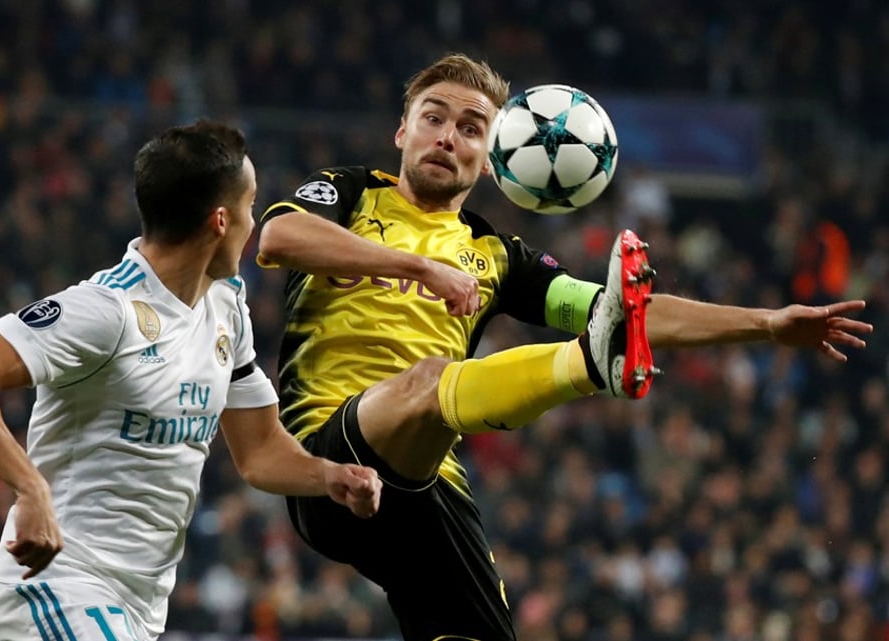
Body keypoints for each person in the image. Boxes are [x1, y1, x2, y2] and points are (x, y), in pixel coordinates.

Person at [254, 53, 873, 641]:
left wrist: (767, 323)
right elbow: (278, 238)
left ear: (494, 158)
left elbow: (629, 310)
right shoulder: (351, 191)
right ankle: (585, 363)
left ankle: (593, 356)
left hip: (431, 488)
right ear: (402, 132)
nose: (446, 137)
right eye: (433, 118)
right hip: (324, 452)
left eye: (470, 129)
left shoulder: (498, 257)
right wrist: (418, 267)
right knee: (427, 380)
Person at [0, 120, 382, 641]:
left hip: (138, 608)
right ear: (220, 220)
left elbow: (258, 452)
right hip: (60, 586)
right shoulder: (107, 310)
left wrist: (330, 476)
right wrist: (29, 488)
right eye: (251, 206)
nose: (254, 223)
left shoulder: (226, 306)